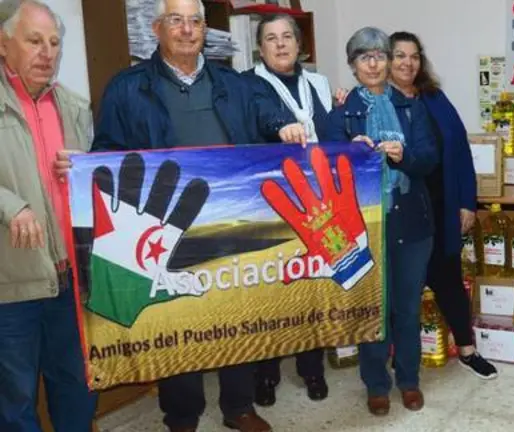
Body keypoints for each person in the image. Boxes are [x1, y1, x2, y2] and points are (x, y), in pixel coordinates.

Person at [92, 1, 303, 431]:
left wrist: (284, 125)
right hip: (163, 224)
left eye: (195, 21)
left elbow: (266, 115)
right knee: (176, 317)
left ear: (205, 29)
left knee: (235, 314)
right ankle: (183, 415)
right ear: (157, 29)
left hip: (232, 219)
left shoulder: (233, 82)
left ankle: (239, 407)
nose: (187, 30)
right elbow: (104, 156)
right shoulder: (127, 87)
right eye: (176, 20)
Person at [326, 27, 437, 416]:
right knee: (371, 307)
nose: (373, 63)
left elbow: (428, 158)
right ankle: (376, 383)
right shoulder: (340, 111)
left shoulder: (412, 106)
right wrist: (348, 154)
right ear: (353, 67)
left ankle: (409, 380)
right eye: (363, 57)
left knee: (407, 307)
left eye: (379, 55)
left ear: (389, 62)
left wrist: (402, 155)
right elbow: (324, 167)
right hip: (362, 227)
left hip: (411, 221)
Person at [0, 1, 98, 430]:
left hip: (69, 277)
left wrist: (88, 169)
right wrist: (10, 205)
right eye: (34, 41)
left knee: (76, 384)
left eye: (55, 43)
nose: (48, 52)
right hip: (12, 282)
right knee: (15, 397)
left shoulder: (75, 106)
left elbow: (104, 183)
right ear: (4, 45)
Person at [387, 31, 497, 379]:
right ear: (387, 60)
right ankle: (400, 354)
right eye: (400, 55)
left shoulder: (434, 97)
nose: (408, 62)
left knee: (449, 279)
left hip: (442, 204)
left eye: (414, 55)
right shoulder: (379, 102)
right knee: (403, 285)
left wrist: (467, 203)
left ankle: (467, 349)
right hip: (402, 213)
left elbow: (461, 150)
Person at [240, 14, 331, 406]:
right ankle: (266, 373)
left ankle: (312, 370)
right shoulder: (248, 84)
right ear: (260, 48)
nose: (280, 45)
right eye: (271, 39)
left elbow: (332, 133)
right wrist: (281, 126)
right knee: (271, 293)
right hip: (270, 205)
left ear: (299, 44)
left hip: (317, 204)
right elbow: (260, 120)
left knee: (312, 287)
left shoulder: (320, 83)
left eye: (287, 37)